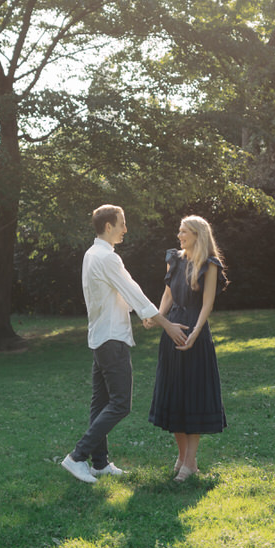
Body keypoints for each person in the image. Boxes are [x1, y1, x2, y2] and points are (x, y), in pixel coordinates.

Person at [62, 204, 185, 484]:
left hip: (100, 338)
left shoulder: (92, 254)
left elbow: (115, 291)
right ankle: (77, 457)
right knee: (120, 404)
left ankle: (100, 463)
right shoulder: (107, 258)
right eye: (122, 223)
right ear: (108, 226)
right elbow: (132, 289)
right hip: (111, 339)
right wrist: (166, 324)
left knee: (100, 403)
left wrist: (141, 313)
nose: (125, 229)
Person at [148, 215, 228, 481]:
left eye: (184, 232)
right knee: (174, 394)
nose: (179, 235)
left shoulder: (209, 264)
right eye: (179, 231)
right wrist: (158, 316)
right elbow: (169, 293)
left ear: (197, 234)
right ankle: (183, 459)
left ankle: (190, 461)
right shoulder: (174, 259)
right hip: (172, 330)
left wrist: (195, 334)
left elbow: (207, 304)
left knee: (193, 395)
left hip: (195, 331)